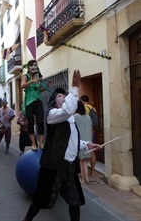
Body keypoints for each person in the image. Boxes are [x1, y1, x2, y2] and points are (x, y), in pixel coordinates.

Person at [23, 70, 101, 221]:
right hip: (53, 165)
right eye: (59, 95)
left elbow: (72, 141)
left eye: (64, 95)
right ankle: (27, 219)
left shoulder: (70, 118)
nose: (63, 97)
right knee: (41, 198)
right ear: (53, 101)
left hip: (70, 166)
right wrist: (74, 87)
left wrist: (87, 144)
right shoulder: (52, 114)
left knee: (75, 200)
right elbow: (67, 109)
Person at [21, 59, 52, 151]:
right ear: (28, 67)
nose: (33, 67)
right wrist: (31, 81)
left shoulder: (39, 76)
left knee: (40, 121)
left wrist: (47, 86)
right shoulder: (25, 76)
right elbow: (22, 85)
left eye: (35, 65)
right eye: (31, 65)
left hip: (38, 101)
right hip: (29, 102)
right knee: (30, 123)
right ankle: (33, 143)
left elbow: (39, 90)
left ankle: (41, 143)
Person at [74, 101, 93, 184]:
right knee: (85, 161)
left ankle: (82, 179)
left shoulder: (74, 117)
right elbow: (91, 129)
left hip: (80, 142)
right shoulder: (88, 117)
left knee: (81, 161)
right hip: (89, 141)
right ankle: (87, 178)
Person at [80, 95, 97, 177]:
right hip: (93, 132)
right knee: (92, 152)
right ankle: (93, 171)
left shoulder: (84, 108)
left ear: (81, 100)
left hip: (86, 133)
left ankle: (84, 175)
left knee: (85, 155)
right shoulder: (93, 108)